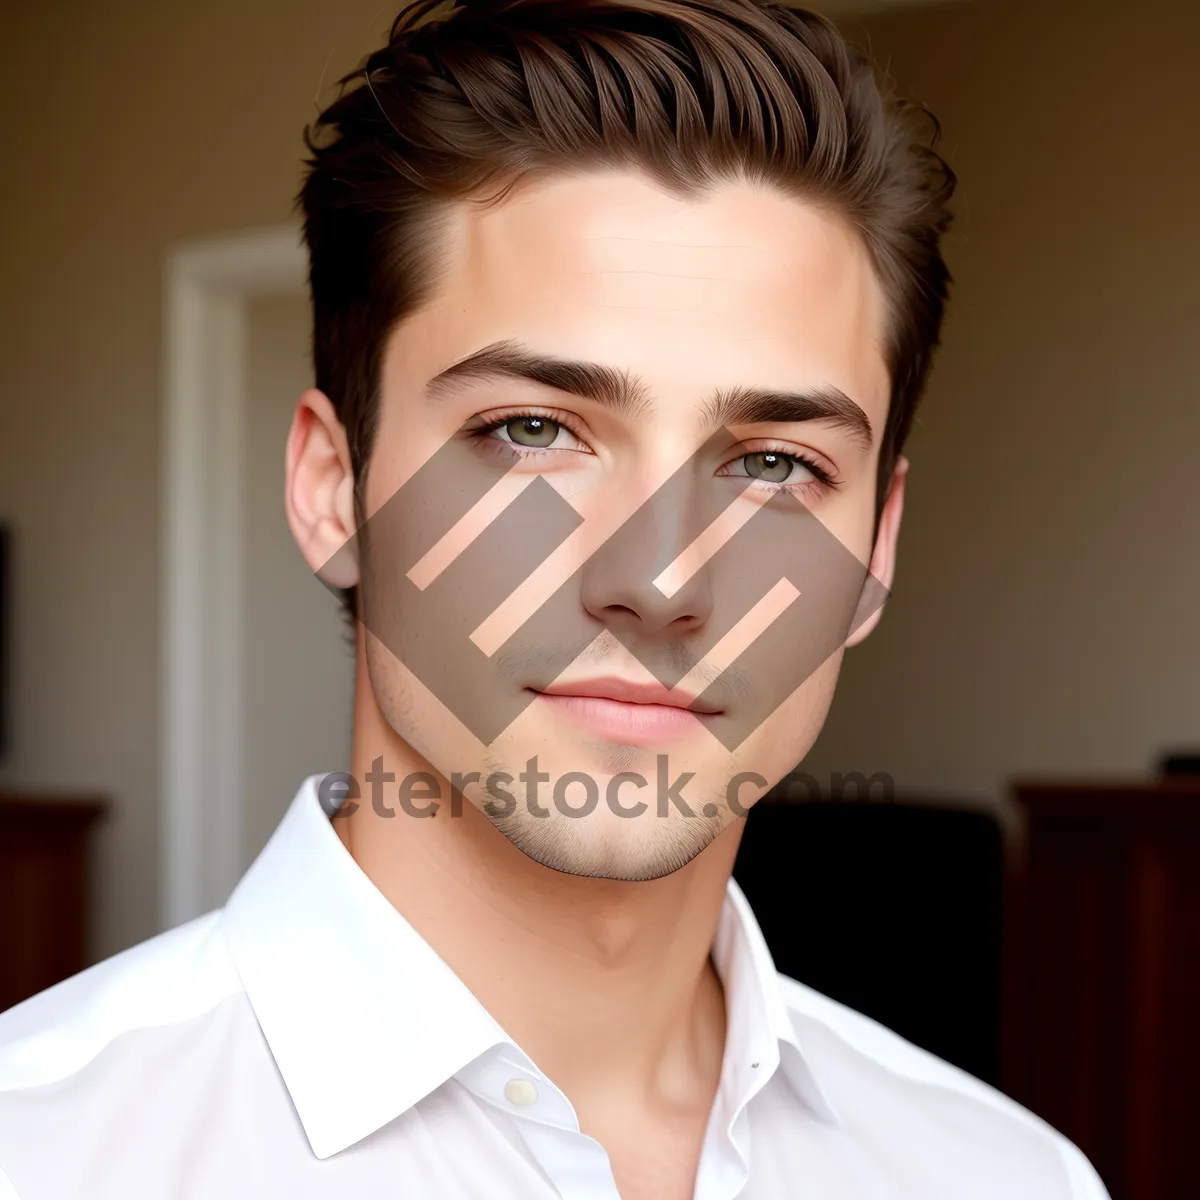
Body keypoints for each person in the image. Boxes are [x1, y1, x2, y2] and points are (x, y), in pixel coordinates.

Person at [0, 2, 1109, 1197]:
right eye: (533, 431)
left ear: (875, 549)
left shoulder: (1010, 1177)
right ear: (334, 489)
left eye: (775, 463)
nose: (663, 580)